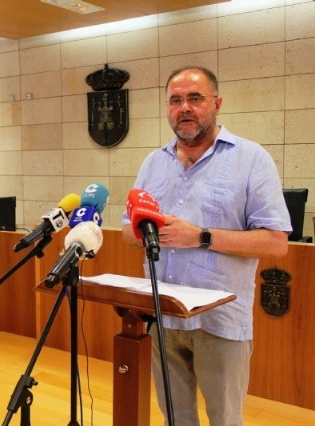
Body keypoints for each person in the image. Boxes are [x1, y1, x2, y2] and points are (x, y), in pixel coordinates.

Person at [122, 66, 292, 426]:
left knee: (225, 419)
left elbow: (276, 242)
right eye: (175, 100)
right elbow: (126, 232)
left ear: (216, 103)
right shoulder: (154, 163)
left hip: (220, 322)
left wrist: (200, 236)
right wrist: (145, 232)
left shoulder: (251, 159)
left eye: (195, 98)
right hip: (163, 315)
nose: (184, 107)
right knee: (175, 419)